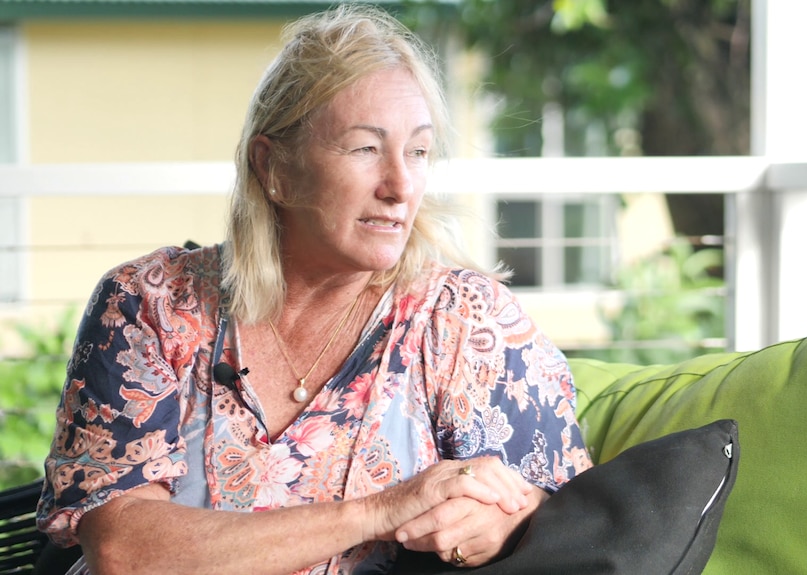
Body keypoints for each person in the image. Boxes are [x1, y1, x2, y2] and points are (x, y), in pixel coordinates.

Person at [36, 5, 593, 574]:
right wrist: (379, 510)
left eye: (419, 151)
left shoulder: (462, 320)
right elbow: (123, 552)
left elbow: (573, 521)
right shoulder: (149, 303)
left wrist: (503, 525)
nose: (400, 186)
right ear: (274, 166)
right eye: (365, 148)